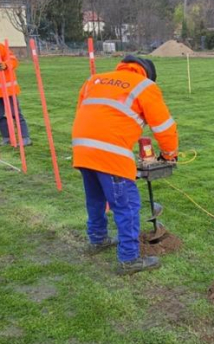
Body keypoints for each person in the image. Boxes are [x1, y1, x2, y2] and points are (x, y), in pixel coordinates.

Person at [72, 55, 178, 275]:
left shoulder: (96, 80)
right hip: (110, 154)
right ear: (148, 74)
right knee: (127, 205)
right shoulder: (145, 86)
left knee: (95, 199)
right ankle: (129, 259)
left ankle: (98, 239)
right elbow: (164, 126)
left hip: (82, 149)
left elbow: (88, 113)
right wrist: (169, 156)